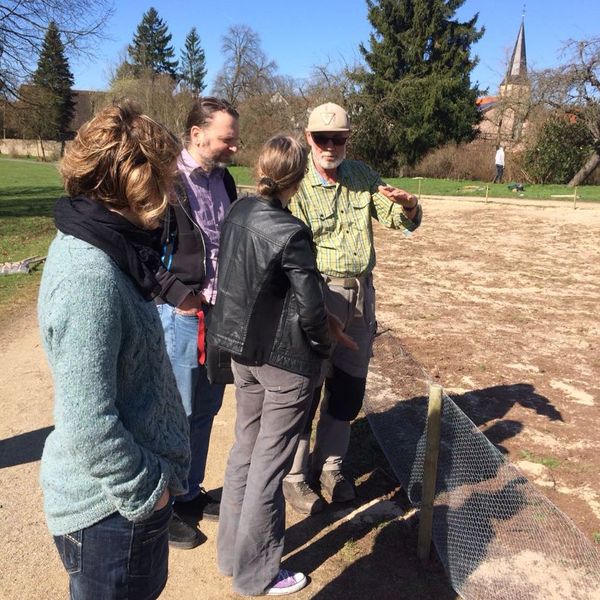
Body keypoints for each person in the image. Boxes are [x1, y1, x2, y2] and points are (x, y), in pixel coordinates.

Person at [37, 102, 190, 599]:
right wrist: (151, 492)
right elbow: (87, 421)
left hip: (114, 511)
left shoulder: (102, 242)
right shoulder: (92, 276)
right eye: (165, 181)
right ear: (135, 183)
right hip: (110, 516)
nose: (170, 196)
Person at [207, 135, 355, 596]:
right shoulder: (291, 232)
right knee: (268, 465)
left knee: (244, 453)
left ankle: (231, 555)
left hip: (243, 354)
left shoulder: (238, 211)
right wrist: (323, 349)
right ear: (298, 178)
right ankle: (258, 574)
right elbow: (311, 309)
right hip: (283, 362)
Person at [283, 102, 423, 515]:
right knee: (305, 387)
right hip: (315, 292)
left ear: (348, 139)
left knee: (348, 386)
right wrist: (308, 302)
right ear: (308, 138)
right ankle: (294, 476)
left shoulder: (363, 176)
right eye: (322, 138)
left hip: (362, 294)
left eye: (338, 138)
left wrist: (411, 205)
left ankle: (331, 467)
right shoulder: (296, 181)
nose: (330, 145)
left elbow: (400, 220)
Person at [155, 97, 240, 548]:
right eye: (227, 138)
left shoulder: (225, 179)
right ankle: (161, 507)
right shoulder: (164, 183)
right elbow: (144, 252)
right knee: (177, 411)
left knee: (206, 408)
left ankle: (188, 491)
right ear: (196, 134)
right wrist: (178, 295)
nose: (234, 147)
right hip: (183, 315)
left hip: (220, 313)